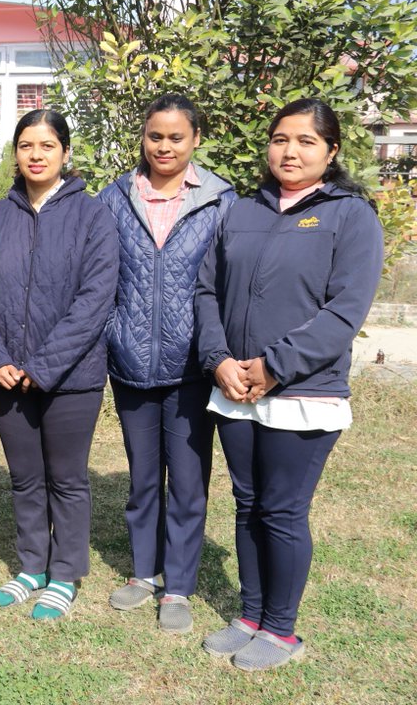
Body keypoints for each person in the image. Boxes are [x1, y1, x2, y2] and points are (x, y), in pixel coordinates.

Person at [195, 98, 383, 670]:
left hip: (303, 392)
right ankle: (251, 614)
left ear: (331, 151)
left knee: (281, 509)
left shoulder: (350, 216)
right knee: (247, 504)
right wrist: (219, 358)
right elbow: (206, 290)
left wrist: (273, 366)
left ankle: (281, 630)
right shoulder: (241, 209)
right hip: (234, 387)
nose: (290, 151)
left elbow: (344, 311)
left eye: (305, 140)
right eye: (281, 139)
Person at [98, 94, 236, 634]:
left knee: (188, 482)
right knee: (142, 477)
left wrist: (218, 349)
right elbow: (102, 274)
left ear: (195, 139)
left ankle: (178, 583)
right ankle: (142, 573)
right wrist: (111, 334)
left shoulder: (222, 201)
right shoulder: (115, 198)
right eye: (156, 136)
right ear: (144, 138)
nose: (164, 146)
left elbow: (226, 284)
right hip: (129, 358)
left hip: (193, 368)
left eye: (176, 137)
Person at [0, 109, 118, 621]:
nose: (36, 155)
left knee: (67, 478)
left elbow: (95, 299)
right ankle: (32, 564)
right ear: (15, 153)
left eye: (47, 146)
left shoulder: (93, 215)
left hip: (72, 377)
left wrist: (44, 365)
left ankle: (65, 574)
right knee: (25, 477)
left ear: (65, 153)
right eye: (27, 146)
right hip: (7, 376)